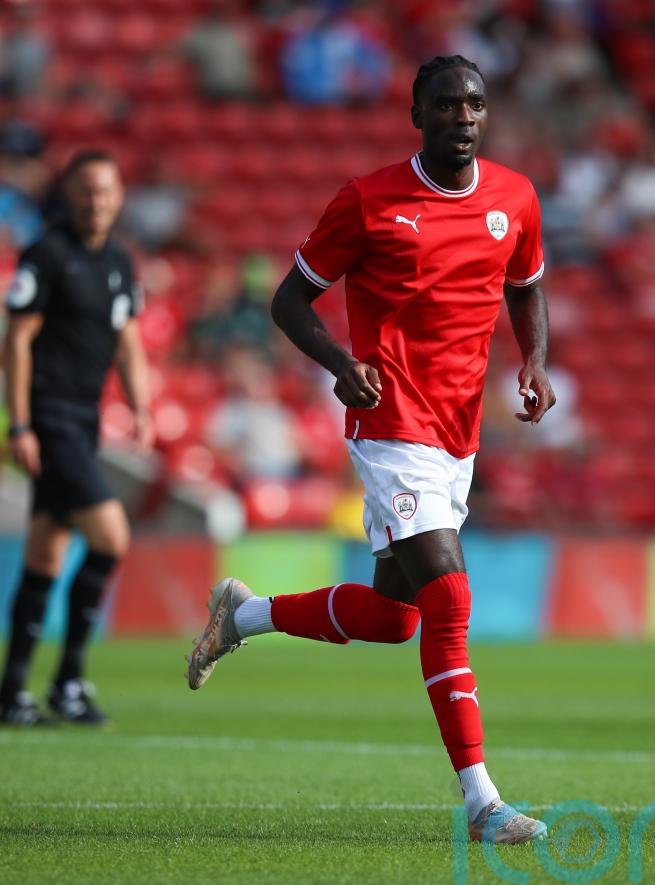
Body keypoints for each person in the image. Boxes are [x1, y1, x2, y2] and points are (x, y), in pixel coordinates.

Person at [186, 55, 556, 844]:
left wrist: (534, 358)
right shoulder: (369, 201)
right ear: (417, 115)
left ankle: (240, 616)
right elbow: (291, 299)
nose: (464, 116)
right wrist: (338, 363)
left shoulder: (514, 197)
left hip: (457, 434)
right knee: (449, 603)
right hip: (391, 427)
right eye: (448, 104)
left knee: (394, 617)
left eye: (476, 104)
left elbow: (526, 284)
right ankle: (484, 802)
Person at [0, 150, 152, 726]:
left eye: (107, 191)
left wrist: (141, 407)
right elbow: (16, 341)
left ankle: (13, 692)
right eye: (88, 191)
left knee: (45, 555)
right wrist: (19, 424)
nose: (98, 202)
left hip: (84, 421)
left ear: (119, 196)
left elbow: (129, 339)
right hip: (49, 415)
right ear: (70, 194)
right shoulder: (47, 254)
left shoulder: (118, 261)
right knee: (111, 537)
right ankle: (68, 681)